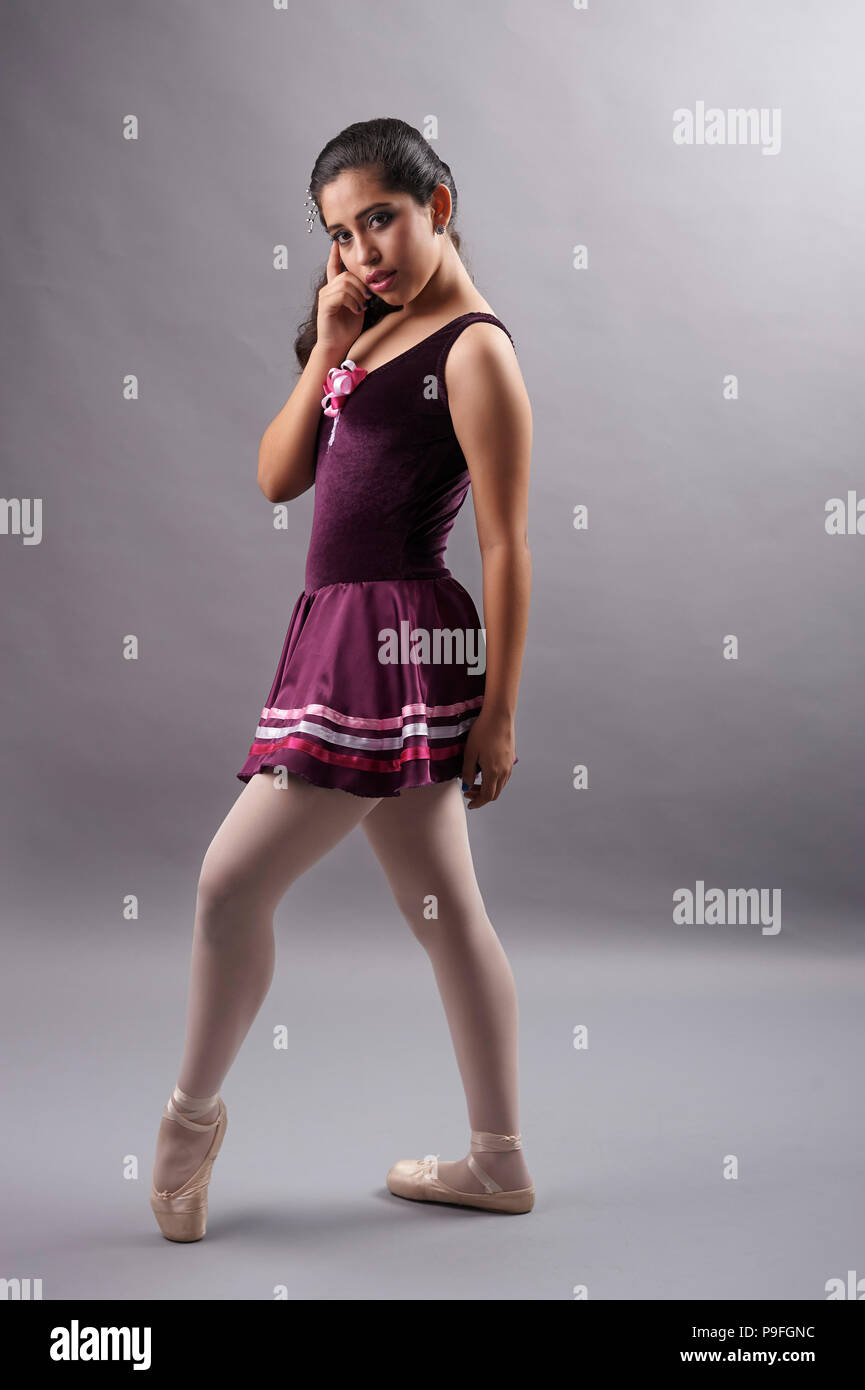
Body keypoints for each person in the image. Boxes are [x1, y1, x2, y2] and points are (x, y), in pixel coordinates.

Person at [149, 117, 533, 1241]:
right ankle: (497, 1159)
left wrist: (499, 715)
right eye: (341, 232)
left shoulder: (472, 350)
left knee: (229, 885)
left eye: (383, 218)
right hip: (338, 633)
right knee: (444, 910)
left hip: (396, 648)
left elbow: (505, 544)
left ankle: (188, 1118)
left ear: (439, 207)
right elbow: (279, 478)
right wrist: (325, 344)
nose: (366, 249)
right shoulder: (361, 333)